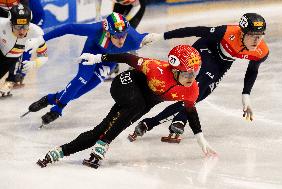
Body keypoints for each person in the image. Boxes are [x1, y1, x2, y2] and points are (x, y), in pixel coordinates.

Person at [37, 44, 216, 169]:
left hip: (143, 102)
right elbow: (128, 57)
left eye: (196, 72)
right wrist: (98, 58)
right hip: (126, 84)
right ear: (175, 70)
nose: (192, 77)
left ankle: (59, 152)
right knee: (135, 107)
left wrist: (201, 139)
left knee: (103, 129)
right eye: (188, 73)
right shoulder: (156, 68)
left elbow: (190, 112)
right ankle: (104, 143)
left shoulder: (192, 89)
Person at [131, 13, 269, 142]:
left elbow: (253, 70)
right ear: (242, 33)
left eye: (260, 35)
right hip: (206, 49)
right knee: (197, 88)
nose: (256, 40)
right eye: (252, 35)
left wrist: (246, 95)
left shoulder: (261, 51)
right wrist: (162, 36)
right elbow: (194, 30)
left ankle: (163, 121)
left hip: (224, 63)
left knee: (201, 94)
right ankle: (166, 120)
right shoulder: (227, 32)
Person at [24, 12, 150, 126]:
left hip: (109, 59)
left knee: (78, 92)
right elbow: (69, 28)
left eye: (123, 35)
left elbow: (154, 38)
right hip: (91, 52)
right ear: (107, 32)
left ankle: (50, 98)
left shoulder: (134, 38)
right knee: (82, 79)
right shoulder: (96, 29)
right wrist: (41, 39)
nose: (121, 39)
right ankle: (57, 109)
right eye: (116, 36)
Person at [0, 4, 48, 97]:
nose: (21, 31)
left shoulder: (37, 33)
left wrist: (35, 63)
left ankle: (12, 80)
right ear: (10, 23)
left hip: (12, 59)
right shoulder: (2, 24)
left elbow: (44, 57)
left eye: (25, 27)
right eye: (18, 27)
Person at [95, 0, 146, 79]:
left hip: (137, 6)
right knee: (112, 31)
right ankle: (113, 64)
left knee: (127, 33)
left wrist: (125, 21)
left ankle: (135, 63)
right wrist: (98, 13)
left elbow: (137, 6)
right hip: (120, 4)